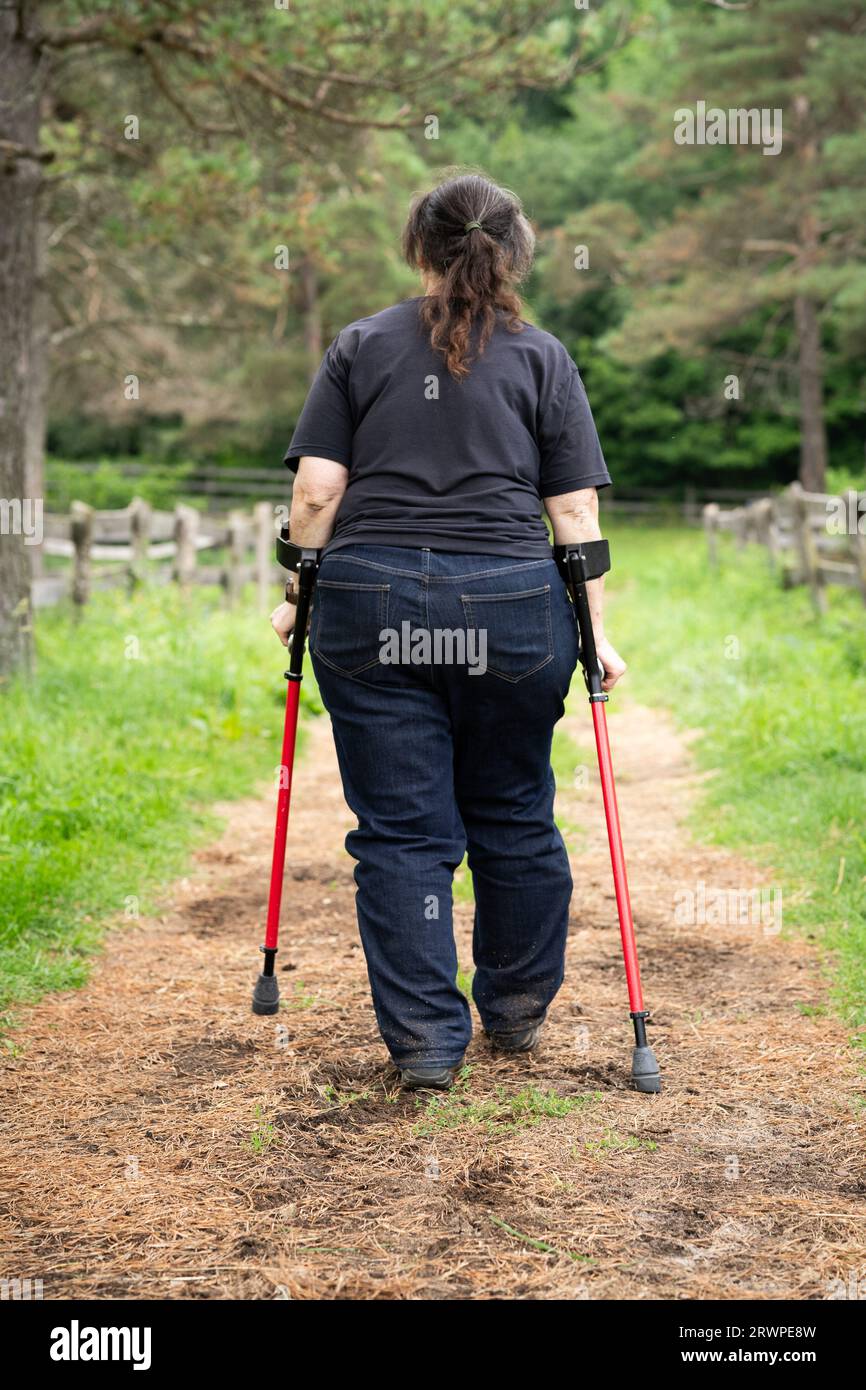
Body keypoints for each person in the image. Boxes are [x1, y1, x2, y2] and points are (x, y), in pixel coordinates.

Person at [270, 172, 626, 1090]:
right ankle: (512, 1010)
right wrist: (594, 634)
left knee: (400, 832)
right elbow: (575, 509)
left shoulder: (359, 344)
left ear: (418, 248)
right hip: (511, 607)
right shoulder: (543, 356)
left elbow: (317, 490)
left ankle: (428, 1044)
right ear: (514, 253)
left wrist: (296, 598)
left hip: (373, 603)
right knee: (513, 811)